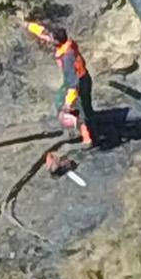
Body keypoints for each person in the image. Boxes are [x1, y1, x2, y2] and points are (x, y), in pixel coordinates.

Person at [24, 18, 97, 181]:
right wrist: (28, 26)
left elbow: (73, 84)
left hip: (79, 82)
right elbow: (44, 34)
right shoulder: (65, 43)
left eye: (52, 39)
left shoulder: (68, 56)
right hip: (76, 80)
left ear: (58, 41)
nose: (49, 40)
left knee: (78, 110)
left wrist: (67, 103)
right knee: (68, 104)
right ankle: (82, 124)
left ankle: (87, 139)